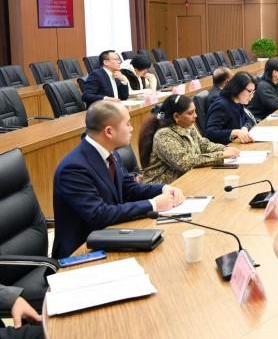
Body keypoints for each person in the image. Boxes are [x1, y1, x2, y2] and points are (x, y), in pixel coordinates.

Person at [52, 100, 184, 258]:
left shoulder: (111, 153)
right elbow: (99, 214)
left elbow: (129, 189)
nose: (132, 128)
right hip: (82, 252)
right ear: (109, 132)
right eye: (128, 124)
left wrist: (163, 188)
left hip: (110, 235)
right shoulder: (73, 168)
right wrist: (153, 204)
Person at [139, 95, 238, 185]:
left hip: (186, 180)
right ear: (176, 116)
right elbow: (185, 162)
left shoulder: (187, 125)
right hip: (163, 187)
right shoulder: (164, 135)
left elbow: (203, 144)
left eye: (195, 111)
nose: (195, 115)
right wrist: (221, 155)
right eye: (190, 113)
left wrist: (224, 148)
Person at [203, 72, 257, 144]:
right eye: (249, 91)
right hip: (223, 147)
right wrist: (235, 132)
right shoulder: (221, 105)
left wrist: (245, 128)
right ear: (238, 88)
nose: (252, 96)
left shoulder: (238, 102)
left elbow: (248, 120)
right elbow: (210, 133)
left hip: (237, 143)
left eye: (253, 92)